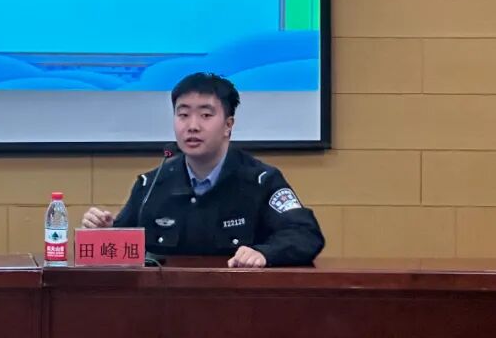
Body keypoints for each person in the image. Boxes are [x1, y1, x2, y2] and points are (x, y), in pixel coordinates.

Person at [82, 72, 324, 267]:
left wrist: (265, 253)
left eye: (206, 115)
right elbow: (123, 250)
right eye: (183, 115)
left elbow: (305, 234)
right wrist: (106, 232)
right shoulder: (152, 185)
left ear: (228, 125)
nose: (193, 126)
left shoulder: (260, 181)